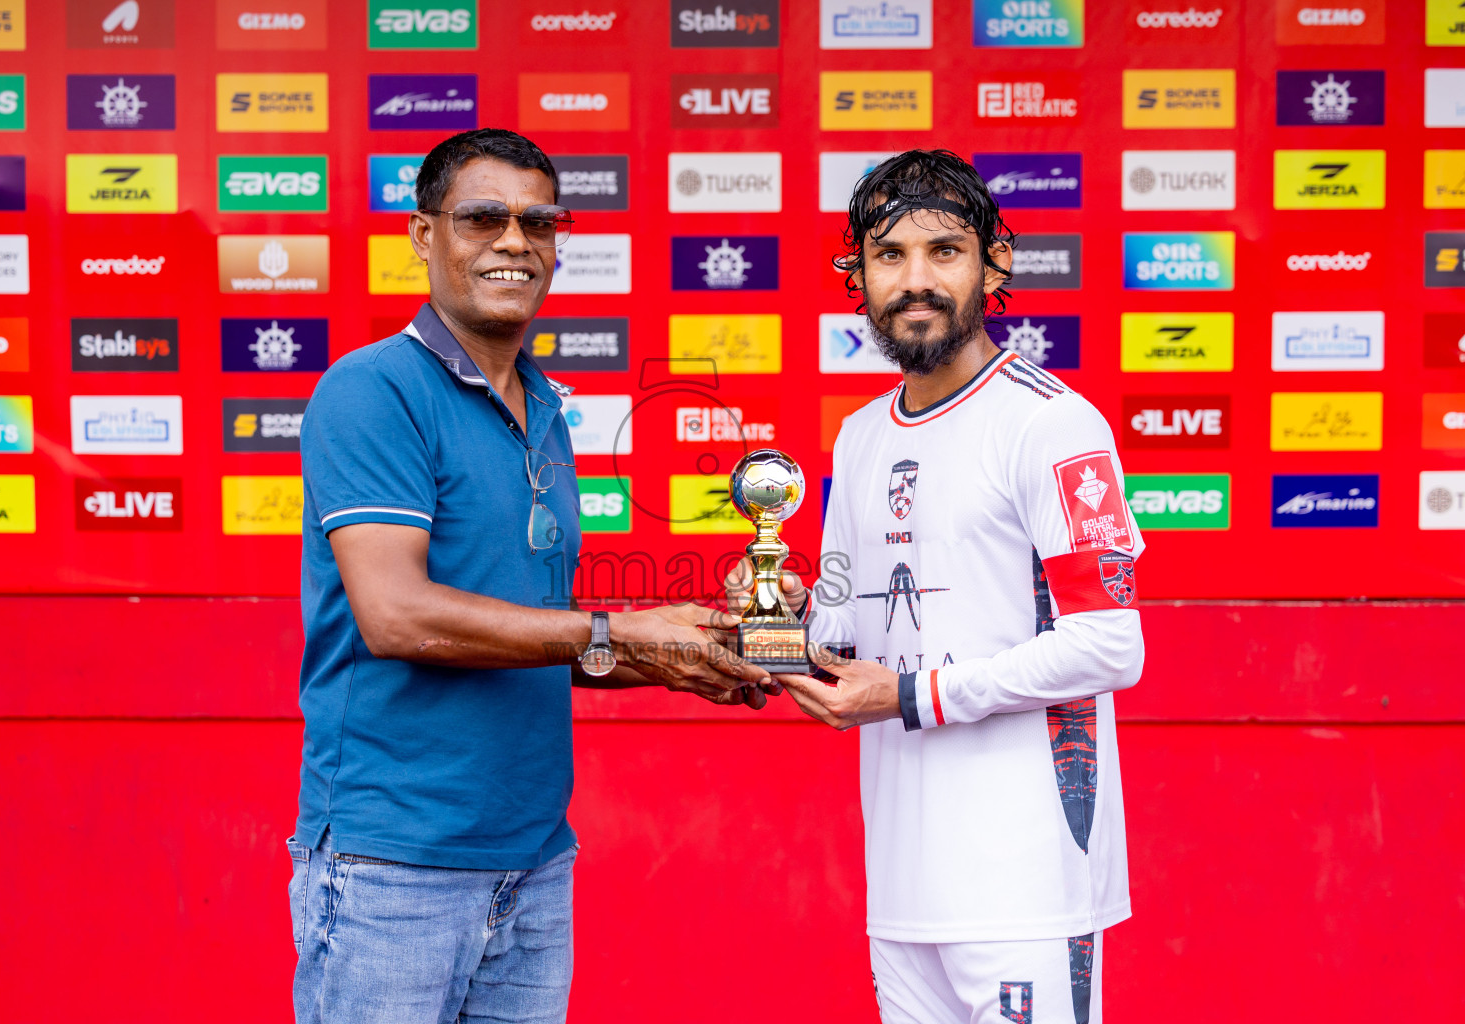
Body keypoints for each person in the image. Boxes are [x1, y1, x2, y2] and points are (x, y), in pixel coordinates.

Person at [289, 128, 772, 1024]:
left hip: (535, 864)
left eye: (538, 221)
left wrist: (684, 656)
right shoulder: (373, 390)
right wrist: (620, 632)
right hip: (394, 866)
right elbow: (398, 616)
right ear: (423, 234)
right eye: (483, 218)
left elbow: (539, 635)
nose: (516, 241)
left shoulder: (542, 407)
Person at [730, 150, 1145, 1024]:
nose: (916, 280)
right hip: (905, 889)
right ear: (858, 275)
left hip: (1027, 889)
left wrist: (913, 696)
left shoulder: (1050, 424)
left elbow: (1110, 643)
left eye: (944, 252)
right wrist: (774, 621)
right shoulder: (857, 438)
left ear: (993, 263)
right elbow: (842, 633)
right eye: (889, 256)